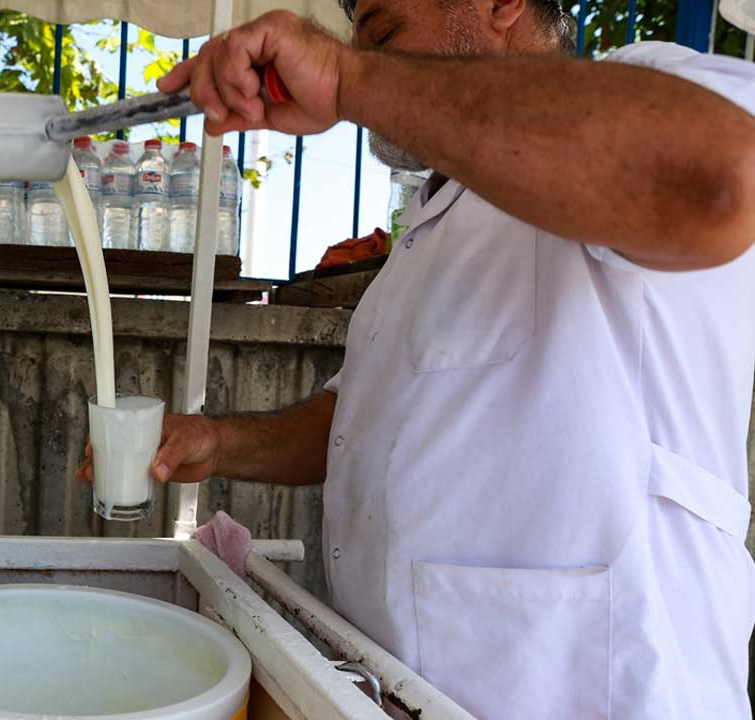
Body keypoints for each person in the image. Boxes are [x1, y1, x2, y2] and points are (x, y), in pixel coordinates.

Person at [77, 2, 755, 717]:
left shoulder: (644, 88)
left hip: (602, 693)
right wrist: (217, 441)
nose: (364, 54)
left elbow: (719, 180)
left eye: (385, 30)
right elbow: (361, 419)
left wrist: (345, 78)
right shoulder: (438, 224)